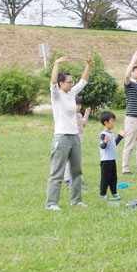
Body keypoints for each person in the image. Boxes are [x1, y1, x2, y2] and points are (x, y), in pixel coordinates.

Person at [45, 55, 92, 210]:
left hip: (74, 136)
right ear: (61, 83)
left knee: (76, 170)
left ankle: (76, 200)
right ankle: (51, 203)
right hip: (62, 137)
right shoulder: (56, 95)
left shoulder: (71, 94)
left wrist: (88, 65)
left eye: (72, 81)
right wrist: (56, 63)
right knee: (57, 171)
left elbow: (83, 81)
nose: (72, 84)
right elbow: (52, 82)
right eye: (69, 81)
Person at [97, 111, 123, 201]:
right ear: (106, 122)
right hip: (106, 160)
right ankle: (102, 194)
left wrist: (119, 137)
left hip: (112, 159)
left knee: (113, 177)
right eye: (112, 121)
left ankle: (114, 192)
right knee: (105, 178)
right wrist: (105, 142)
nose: (113, 123)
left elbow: (113, 144)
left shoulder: (111, 134)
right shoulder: (103, 134)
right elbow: (102, 146)